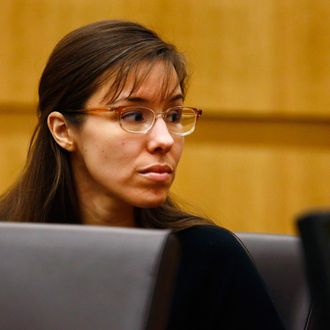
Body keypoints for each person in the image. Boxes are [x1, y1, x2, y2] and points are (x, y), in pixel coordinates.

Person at [0, 20, 284, 329]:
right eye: (134, 116)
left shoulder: (209, 258)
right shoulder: (8, 250)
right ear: (64, 130)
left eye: (174, 116)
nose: (164, 140)